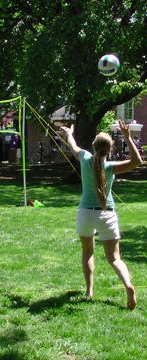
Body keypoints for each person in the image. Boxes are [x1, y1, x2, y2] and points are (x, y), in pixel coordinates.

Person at [60, 120, 141, 310]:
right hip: (107, 214)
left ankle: (89, 291)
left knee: (88, 252)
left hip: (86, 214)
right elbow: (137, 162)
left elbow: (72, 145)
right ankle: (128, 285)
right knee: (114, 258)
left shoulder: (86, 157)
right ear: (109, 150)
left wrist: (69, 132)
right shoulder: (111, 166)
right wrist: (128, 138)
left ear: (94, 146)